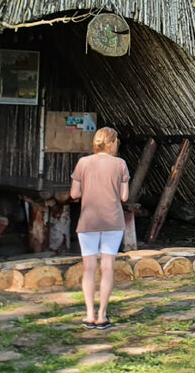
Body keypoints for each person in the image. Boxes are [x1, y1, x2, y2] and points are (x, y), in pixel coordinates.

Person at [70, 127, 130, 329]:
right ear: (112, 143)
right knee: (107, 267)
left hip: (88, 221)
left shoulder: (83, 163)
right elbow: (124, 197)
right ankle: (102, 314)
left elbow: (74, 194)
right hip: (112, 221)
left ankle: (89, 314)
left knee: (89, 268)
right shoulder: (120, 164)